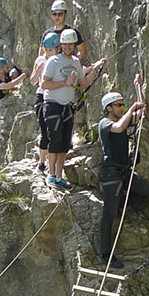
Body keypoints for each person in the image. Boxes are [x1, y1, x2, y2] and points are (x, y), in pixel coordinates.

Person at [40, 28, 105, 189]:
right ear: (61, 44)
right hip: (52, 104)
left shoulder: (75, 62)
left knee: (64, 143)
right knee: (54, 140)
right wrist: (64, 83)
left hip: (67, 106)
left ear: (74, 45)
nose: (68, 47)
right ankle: (51, 175)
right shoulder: (53, 61)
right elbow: (44, 83)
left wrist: (96, 68)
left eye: (71, 44)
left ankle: (59, 175)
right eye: (65, 44)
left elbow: (84, 83)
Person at [97, 90, 149, 263]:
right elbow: (119, 128)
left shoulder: (122, 121)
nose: (122, 108)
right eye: (119, 105)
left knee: (147, 192)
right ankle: (105, 254)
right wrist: (132, 109)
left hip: (124, 171)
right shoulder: (105, 123)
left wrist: (138, 87)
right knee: (108, 214)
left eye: (122, 105)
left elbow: (142, 113)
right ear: (109, 108)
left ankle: (121, 203)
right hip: (111, 172)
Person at [30, 31, 60, 172]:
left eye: (51, 50)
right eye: (46, 50)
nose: (48, 53)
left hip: (55, 97)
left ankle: (51, 164)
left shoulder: (60, 60)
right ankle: (42, 163)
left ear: (57, 49)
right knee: (45, 130)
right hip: (42, 97)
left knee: (54, 131)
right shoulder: (41, 60)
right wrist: (38, 70)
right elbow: (33, 81)